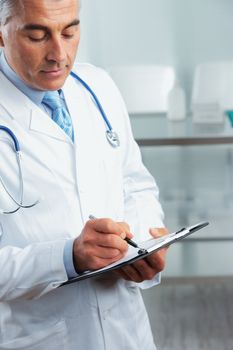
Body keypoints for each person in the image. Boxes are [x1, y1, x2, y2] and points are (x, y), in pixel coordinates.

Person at [0, 1, 168, 349]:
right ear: (1, 34)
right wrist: (67, 258)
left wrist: (144, 244)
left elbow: (134, 182)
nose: (58, 53)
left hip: (126, 329)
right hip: (40, 337)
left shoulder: (97, 86)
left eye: (70, 32)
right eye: (37, 35)